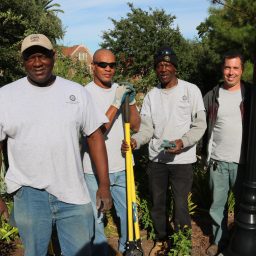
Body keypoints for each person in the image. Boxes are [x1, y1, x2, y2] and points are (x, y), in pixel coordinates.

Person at [0, 34, 112, 256]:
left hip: (73, 193)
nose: (37, 63)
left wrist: (104, 185)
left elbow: (95, 137)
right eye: (31, 57)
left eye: (43, 56)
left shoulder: (76, 93)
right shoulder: (6, 96)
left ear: (53, 57)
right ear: (23, 61)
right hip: (29, 195)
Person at [122, 46, 206, 255]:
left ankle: (181, 243)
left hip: (183, 160)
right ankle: (161, 239)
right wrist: (135, 141)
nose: (163, 69)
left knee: (180, 205)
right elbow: (147, 128)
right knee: (157, 204)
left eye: (167, 64)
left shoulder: (190, 90)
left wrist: (183, 142)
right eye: (159, 65)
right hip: (157, 160)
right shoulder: (151, 96)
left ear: (175, 67)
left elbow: (200, 125)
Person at [83, 49, 141, 256]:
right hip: (93, 170)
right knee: (97, 216)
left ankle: (128, 247)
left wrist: (131, 102)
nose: (108, 69)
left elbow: (135, 125)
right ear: (93, 66)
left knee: (127, 214)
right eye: (102, 64)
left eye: (112, 65)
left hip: (123, 164)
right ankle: (100, 252)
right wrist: (116, 103)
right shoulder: (85, 93)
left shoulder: (121, 89)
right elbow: (97, 131)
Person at [202, 50, 249, 256]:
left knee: (243, 207)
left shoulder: (251, 95)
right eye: (227, 67)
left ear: (242, 70)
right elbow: (199, 125)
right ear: (222, 69)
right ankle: (219, 241)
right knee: (216, 206)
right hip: (218, 162)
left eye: (235, 68)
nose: (231, 72)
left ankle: (240, 243)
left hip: (244, 163)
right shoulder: (212, 96)